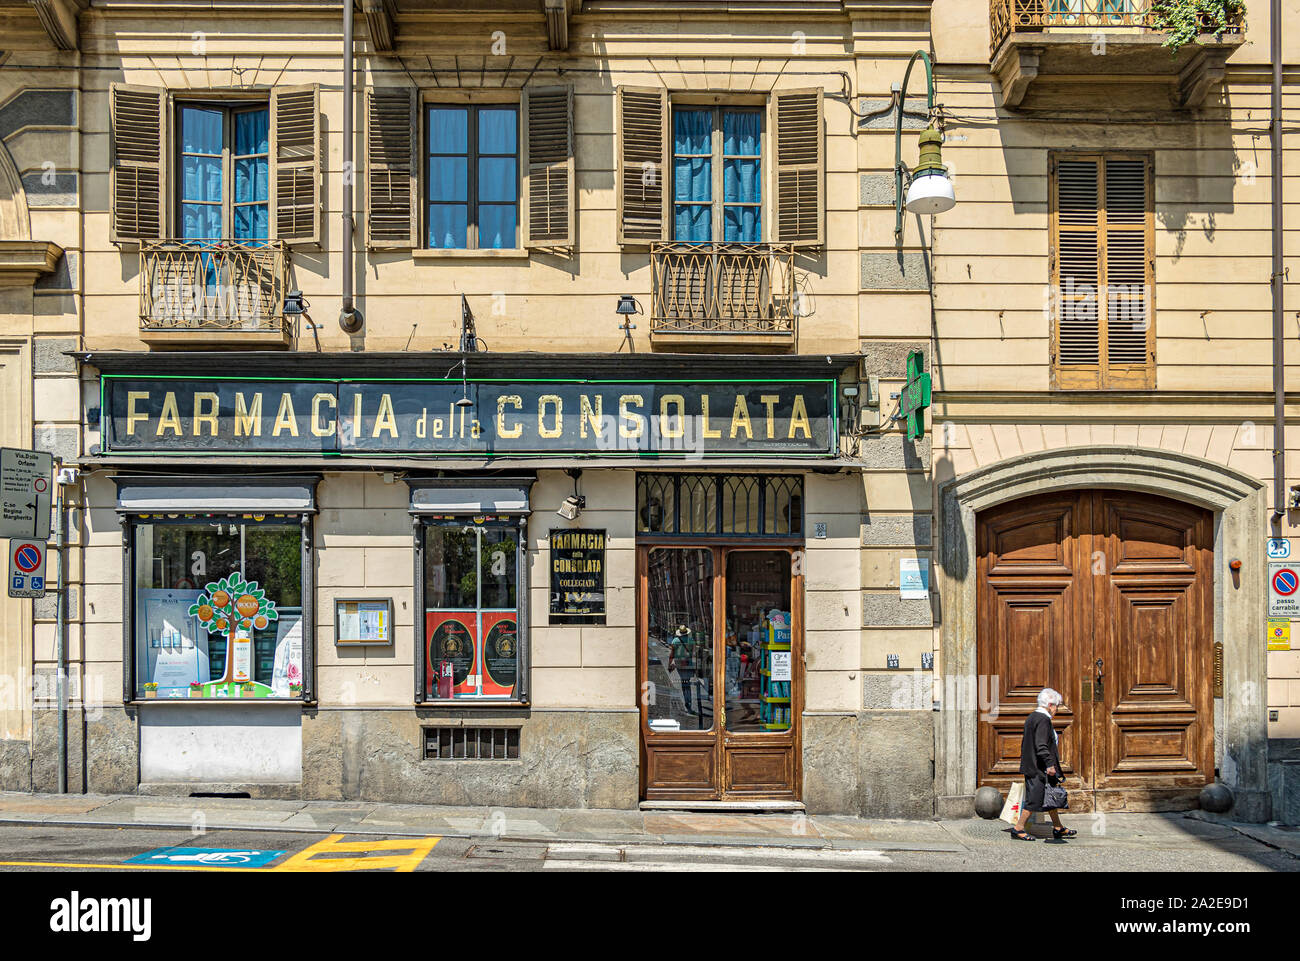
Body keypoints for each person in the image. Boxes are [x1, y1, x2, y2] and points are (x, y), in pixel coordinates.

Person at [1010, 688, 1077, 842]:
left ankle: (1058, 828)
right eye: (1057, 706)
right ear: (1050, 705)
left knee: (1050, 795)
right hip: (1039, 768)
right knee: (1035, 799)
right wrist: (1049, 764)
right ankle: (1018, 828)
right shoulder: (1042, 719)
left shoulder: (1032, 717)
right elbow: (1041, 745)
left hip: (1036, 765)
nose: (1057, 710)